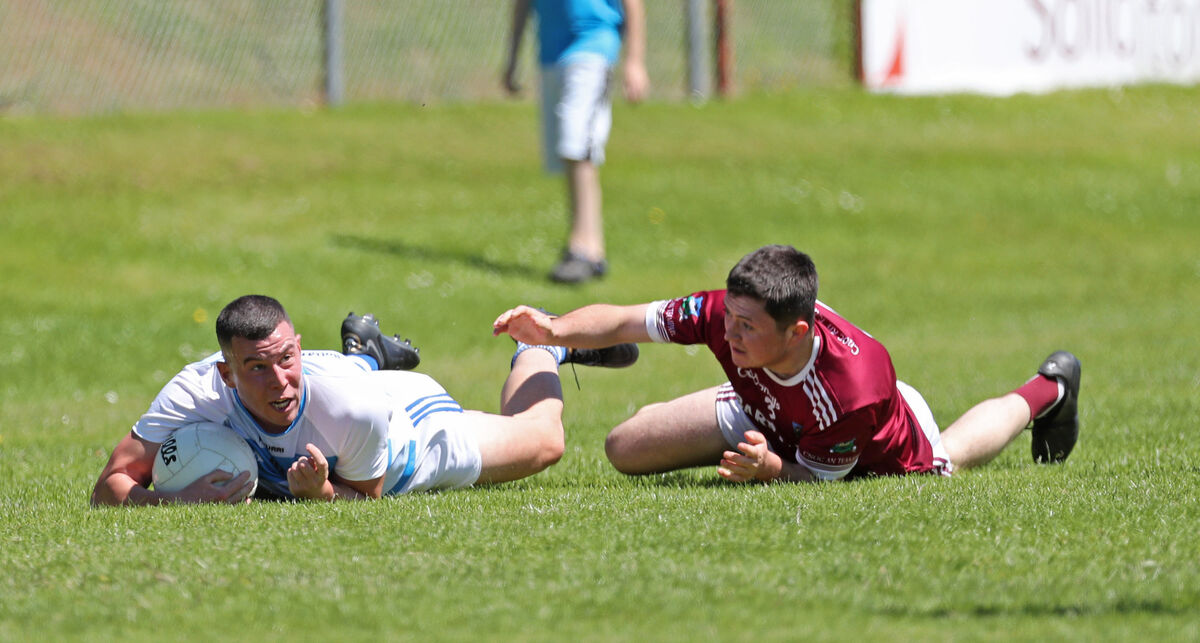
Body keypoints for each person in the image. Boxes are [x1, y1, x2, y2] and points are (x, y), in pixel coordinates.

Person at [493, 244, 1082, 483]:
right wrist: (554, 328)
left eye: (746, 328)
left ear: (798, 331)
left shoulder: (855, 388)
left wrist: (769, 468)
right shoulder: (727, 313)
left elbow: (812, 477)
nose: (728, 332)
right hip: (765, 405)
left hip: (869, 445)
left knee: (953, 452)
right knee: (624, 449)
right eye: (730, 319)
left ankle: (1046, 390)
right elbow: (628, 319)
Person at [91, 295, 637, 505]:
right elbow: (110, 485)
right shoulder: (196, 392)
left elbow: (368, 499)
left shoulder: (354, 410)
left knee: (544, 441)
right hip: (343, 390)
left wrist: (322, 491)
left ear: (300, 348)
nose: (278, 379)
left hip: (412, 436)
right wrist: (171, 503)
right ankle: (366, 351)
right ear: (226, 375)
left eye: (286, 359)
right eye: (256, 368)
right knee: (318, 393)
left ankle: (538, 349)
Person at [503, 0, 649, 283]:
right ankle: (592, 248)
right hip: (551, 52)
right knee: (568, 153)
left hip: (593, 44)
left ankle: (581, 248)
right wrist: (512, 58)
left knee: (576, 144)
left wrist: (635, 61)